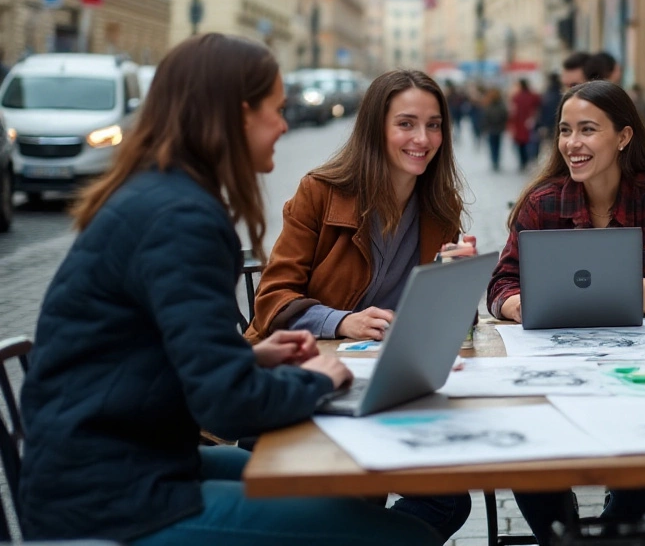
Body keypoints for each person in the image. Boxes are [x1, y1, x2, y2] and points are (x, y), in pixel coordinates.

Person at [19, 34, 441, 545]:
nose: (285, 125)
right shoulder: (180, 217)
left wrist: (253, 359)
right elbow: (227, 405)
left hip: (132, 464)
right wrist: (322, 380)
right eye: (277, 110)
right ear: (239, 115)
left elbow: (156, 356)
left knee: (343, 498)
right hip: (114, 498)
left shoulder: (161, 197)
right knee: (399, 537)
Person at [243, 69, 475, 538]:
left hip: (389, 386)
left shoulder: (440, 206)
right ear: (376, 128)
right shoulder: (321, 192)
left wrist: (456, 282)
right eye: (406, 123)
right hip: (306, 383)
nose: (422, 138)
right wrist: (342, 321)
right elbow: (271, 300)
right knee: (362, 498)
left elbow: (453, 326)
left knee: (450, 501)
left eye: (434, 125)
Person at [487, 80, 645, 545]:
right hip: (554, 370)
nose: (572, 143)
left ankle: (612, 532)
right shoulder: (543, 202)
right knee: (524, 432)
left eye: (588, 129)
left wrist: (613, 292)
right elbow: (500, 283)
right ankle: (557, 535)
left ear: (624, 137)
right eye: (566, 130)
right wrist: (517, 302)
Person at [508, 78, 543, 170]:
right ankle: (529, 159)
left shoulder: (516, 97)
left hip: (519, 124)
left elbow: (513, 112)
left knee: (521, 144)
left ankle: (523, 162)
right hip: (529, 123)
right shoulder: (533, 96)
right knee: (531, 142)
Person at [482, 85, 509, 171]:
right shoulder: (501, 104)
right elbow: (505, 115)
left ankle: (494, 160)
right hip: (498, 127)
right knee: (497, 145)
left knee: (493, 145)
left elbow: (485, 116)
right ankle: (496, 161)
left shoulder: (488, 104)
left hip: (492, 128)